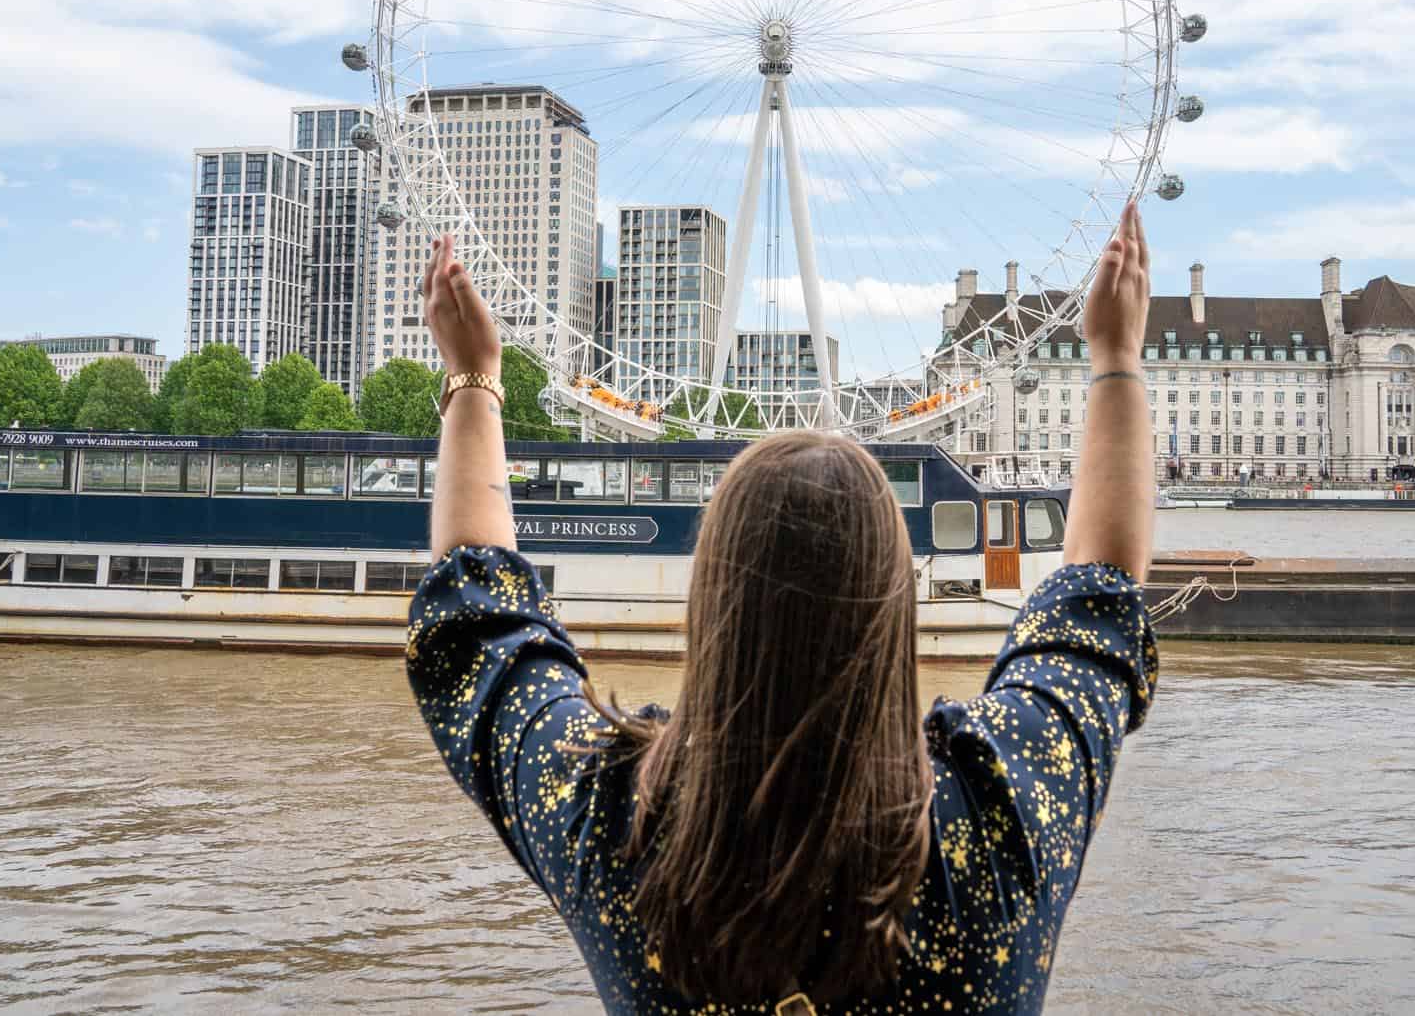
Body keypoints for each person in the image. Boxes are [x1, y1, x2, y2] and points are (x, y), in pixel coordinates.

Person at [406, 200, 1161, 1014]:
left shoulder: (612, 818)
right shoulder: (1004, 807)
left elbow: (477, 621)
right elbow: (1097, 590)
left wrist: (475, 376)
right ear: (892, 610)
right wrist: (1115, 355)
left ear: (713, 602)